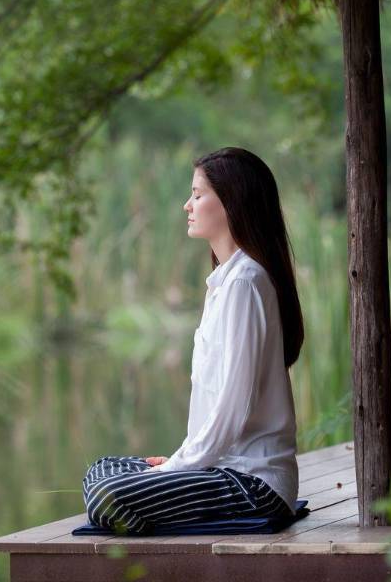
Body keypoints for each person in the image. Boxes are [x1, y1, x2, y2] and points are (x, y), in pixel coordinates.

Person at [82, 147, 304, 534]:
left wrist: (177, 467)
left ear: (232, 203)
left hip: (253, 485)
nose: (187, 205)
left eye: (198, 195)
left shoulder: (245, 284)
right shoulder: (223, 282)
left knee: (108, 494)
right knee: (102, 469)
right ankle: (169, 500)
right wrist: (179, 462)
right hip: (220, 470)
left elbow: (232, 411)